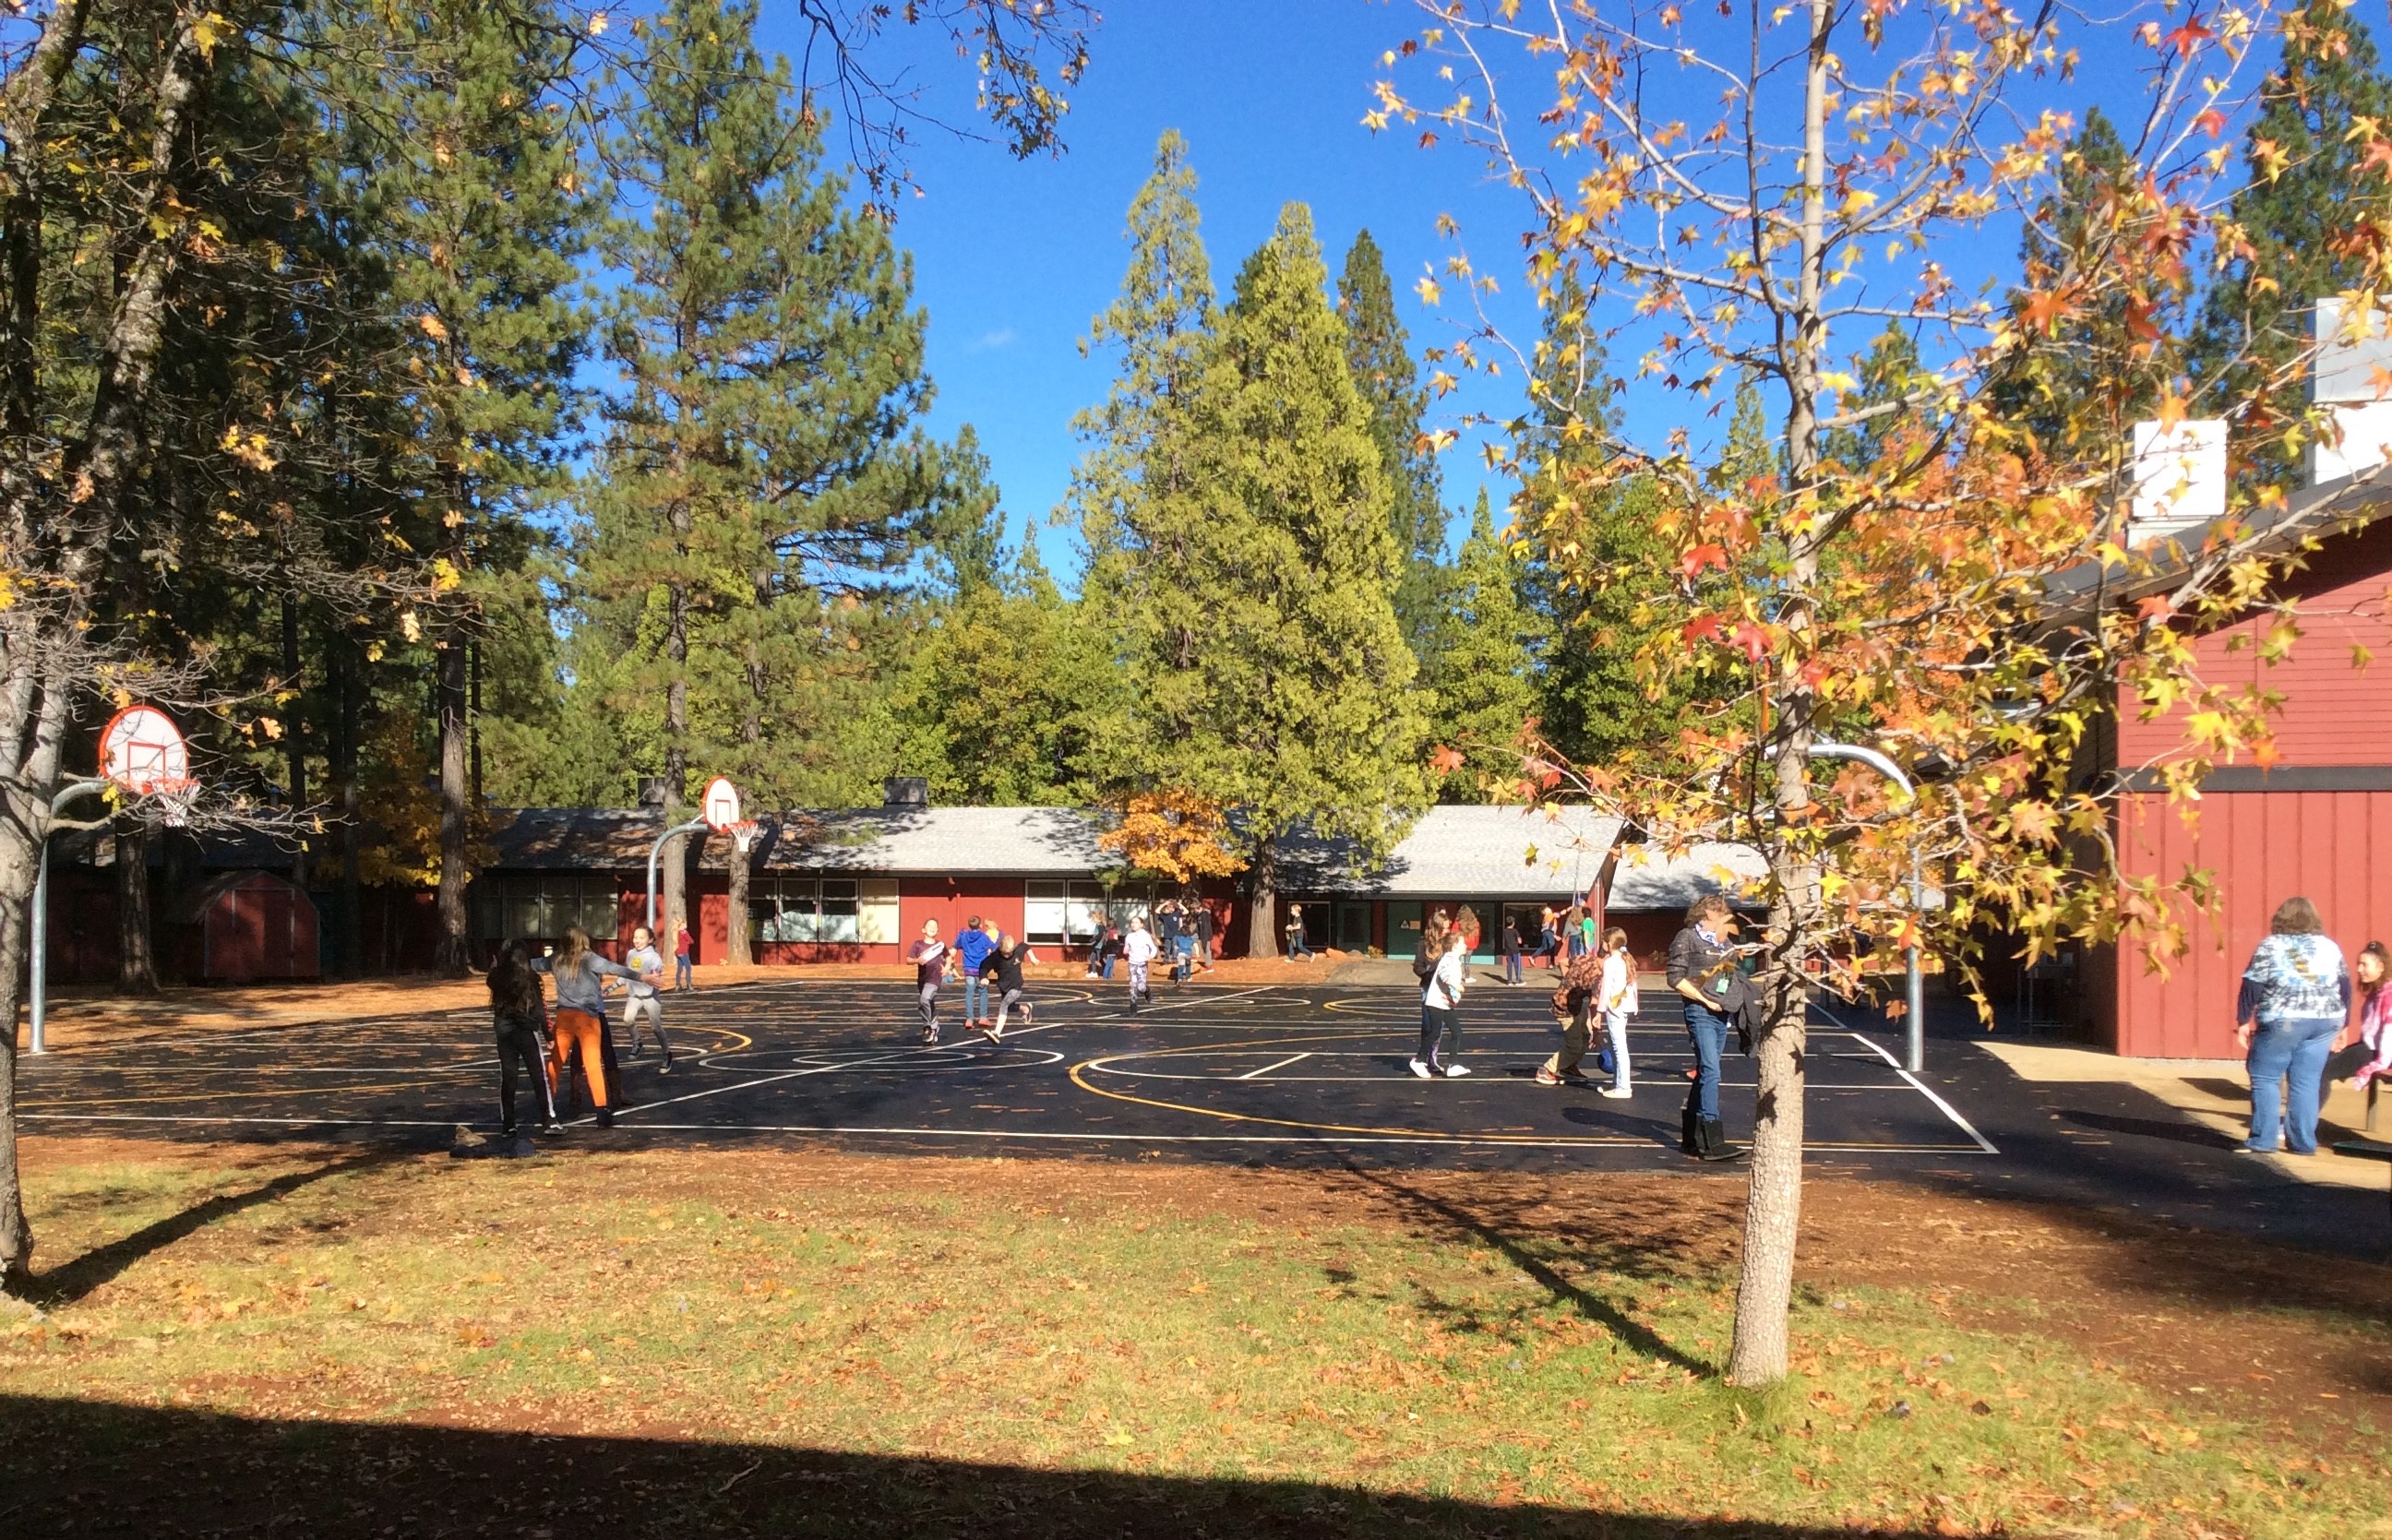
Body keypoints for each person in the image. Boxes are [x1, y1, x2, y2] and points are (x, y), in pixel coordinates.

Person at [2235, 895, 2350, 1155]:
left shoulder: (2270, 945)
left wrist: (2243, 1019)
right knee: (2306, 1081)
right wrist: (2345, 1025)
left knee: (2265, 1076)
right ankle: (2302, 1143)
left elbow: (2252, 984)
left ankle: (2263, 1139)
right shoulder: (2330, 947)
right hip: (2326, 1019)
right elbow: (2344, 986)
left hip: (2283, 1018)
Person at [532, 925, 643, 1128]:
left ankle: (546, 1108)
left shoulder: (556, 959)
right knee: (592, 1064)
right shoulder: (590, 959)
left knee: (555, 1063)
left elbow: (532, 964)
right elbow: (614, 968)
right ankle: (602, 1109)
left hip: (565, 1016)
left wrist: (503, 965)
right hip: (588, 1018)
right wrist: (642, 976)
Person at [1667, 895, 1748, 1160]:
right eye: (1715, 914)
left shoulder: (1726, 944)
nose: (1721, 919)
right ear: (1703, 915)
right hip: (1699, 1012)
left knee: (1705, 1072)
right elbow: (1675, 979)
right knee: (1712, 1071)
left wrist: (1727, 1001)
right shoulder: (1687, 937)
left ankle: (1691, 1137)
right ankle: (1713, 1137)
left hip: (1720, 1015)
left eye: (1724, 914)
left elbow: (1727, 978)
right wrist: (1704, 1000)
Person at [486, 941, 562, 1137]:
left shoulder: (497, 977)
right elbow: (539, 1008)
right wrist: (548, 1034)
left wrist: (495, 967)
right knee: (538, 1076)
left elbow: (491, 979)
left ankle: (508, 1123)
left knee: (509, 1077)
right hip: (526, 1030)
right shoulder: (530, 977)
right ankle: (548, 1118)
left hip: (504, 1030)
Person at [1411, 927, 1471, 1078]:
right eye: (1463, 943)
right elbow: (1443, 975)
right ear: (1455, 945)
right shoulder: (1448, 959)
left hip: (1444, 1003)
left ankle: (1452, 1065)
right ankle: (1418, 1060)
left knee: (1456, 1032)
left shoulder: (1455, 960)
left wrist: (1453, 998)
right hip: (1435, 1002)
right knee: (1434, 1032)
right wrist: (1455, 985)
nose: (1466, 946)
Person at [620, 925, 676, 1072]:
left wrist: (654, 979)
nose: (637, 940)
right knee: (627, 1019)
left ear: (650, 940)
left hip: (650, 996)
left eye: (641, 937)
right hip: (634, 995)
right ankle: (637, 1042)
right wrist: (612, 987)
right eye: (635, 937)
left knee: (656, 1027)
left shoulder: (654, 957)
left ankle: (667, 1054)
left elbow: (655, 974)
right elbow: (627, 973)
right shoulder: (631, 953)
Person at [2350, 941, 2392, 1095]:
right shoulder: (2375, 995)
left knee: (2322, 1072)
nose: (2359, 969)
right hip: (2370, 1050)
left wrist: (2377, 1065)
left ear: (2381, 967)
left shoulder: (2389, 996)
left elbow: (2389, 1034)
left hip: (2379, 1053)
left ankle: (2304, 1119)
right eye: (2358, 964)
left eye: (2364, 965)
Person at [980, 931, 1038, 1039]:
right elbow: (984, 966)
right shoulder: (995, 957)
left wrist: (1033, 958)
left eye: (1009, 953)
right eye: (1004, 953)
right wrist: (983, 977)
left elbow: (1025, 946)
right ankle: (1026, 1009)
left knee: (1004, 1005)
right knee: (1010, 1007)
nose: (1007, 955)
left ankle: (996, 1033)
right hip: (1004, 986)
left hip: (1016, 986)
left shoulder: (1018, 951)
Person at [906, 918, 953, 1044]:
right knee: (928, 1002)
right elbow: (908, 959)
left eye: (935, 926)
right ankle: (934, 1027)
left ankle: (927, 1026)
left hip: (935, 979)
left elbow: (948, 957)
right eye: (929, 925)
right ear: (923, 930)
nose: (932, 927)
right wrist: (917, 960)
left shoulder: (940, 945)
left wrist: (948, 967)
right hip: (922, 979)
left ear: (937, 930)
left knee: (924, 999)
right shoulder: (918, 944)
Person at [954, 916, 997, 1030]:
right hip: (981, 969)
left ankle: (969, 1019)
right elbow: (993, 947)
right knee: (983, 992)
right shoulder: (984, 937)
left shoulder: (964, 936)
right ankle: (983, 1017)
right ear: (981, 925)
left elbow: (956, 945)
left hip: (968, 969)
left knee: (969, 993)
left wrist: (960, 935)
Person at [1124, 916, 1160, 1010]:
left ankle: (1147, 991)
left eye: (1136, 922)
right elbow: (1126, 947)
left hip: (1142, 964)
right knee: (1133, 986)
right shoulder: (1129, 936)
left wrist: (1150, 956)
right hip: (1132, 963)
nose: (1133, 924)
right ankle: (1133, 1007)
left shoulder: (1145, 936)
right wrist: (1126, 950)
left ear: (1141, 925)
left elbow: (1154, 948)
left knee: (1141, 987)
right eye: (1132, 922)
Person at [1192, 901, 1217, 972]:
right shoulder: (1198, 914)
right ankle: (1193, 956)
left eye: (1195, 909)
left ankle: (1209, 966)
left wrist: (1205, 938)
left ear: (1199, 908)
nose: (1194, 911)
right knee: (1190, 939)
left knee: (1206, 949)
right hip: (1199, 933)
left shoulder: (1204, 915)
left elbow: (1206, 927)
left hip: (1205, 935)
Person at [674, 920, 697, 992]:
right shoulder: (684, 932)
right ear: (681, 925)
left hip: (678, 952)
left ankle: (678, 985)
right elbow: (691, 940)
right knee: (688, 968)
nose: (685, 925)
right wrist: (687, 942)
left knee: (679, 969)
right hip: (684, 952)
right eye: (684, 924)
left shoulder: (677, 933)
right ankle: (689, 984)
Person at [1501, 914, 1525, 985]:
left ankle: (1509, 981)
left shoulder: (1504, 931)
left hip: (1508, 950)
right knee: (1518, 965)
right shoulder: (1515, 931)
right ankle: (1518, 980)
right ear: (1513, 923)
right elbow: (1520, 941)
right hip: (1515, 950)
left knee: (1509, 965)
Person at [1537, 905, 1560, 969]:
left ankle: (1552, 963)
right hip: (1549, 933)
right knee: (1550, 946)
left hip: (1549, 933)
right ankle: (1551, 963)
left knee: (1550, 946)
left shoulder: (1548, 915)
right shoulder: (1547, 916)